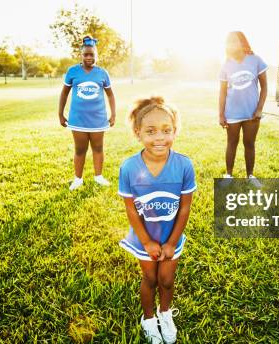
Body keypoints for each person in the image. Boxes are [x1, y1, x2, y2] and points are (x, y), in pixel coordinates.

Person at [118, 96, 196, 344]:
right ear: (138, 133)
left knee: (167, 279)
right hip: (144, 237)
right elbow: (131, 210)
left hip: (171, 235)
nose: (160, 137)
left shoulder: (184, 165)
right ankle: (149, 318)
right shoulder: (129, 168)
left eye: (167, 130)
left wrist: (172, 242)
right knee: (150, 278)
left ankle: (165, 313)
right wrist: (147, 242)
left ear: (175, 131)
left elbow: (184, 209)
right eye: (151, 131)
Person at [58, 36, 116, 190]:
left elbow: (110, 94)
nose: (89, 57)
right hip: (78, 119)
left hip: (98, 119)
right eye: (86, 55)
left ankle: (98, 176)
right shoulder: (72, 71)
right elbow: (64, 94)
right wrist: (60, 114)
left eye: (92, 55)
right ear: (81, 55)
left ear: (96, 56)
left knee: (98, 148)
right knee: (80, 149)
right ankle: (78, 179)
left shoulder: (102, 73)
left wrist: (113, 114)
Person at [218, 31, 268, 186]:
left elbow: (264, 87)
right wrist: (221, 114)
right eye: (230, 42)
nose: (233, 45)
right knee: (231, 143)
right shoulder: (226, 65)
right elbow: (223, 92)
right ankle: (228, 175)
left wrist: (259, 109)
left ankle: (250, 176)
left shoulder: (256, 60)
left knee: (249, 144)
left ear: (243, 42)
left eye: (236, 41)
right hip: (232, 113)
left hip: (252, 113)